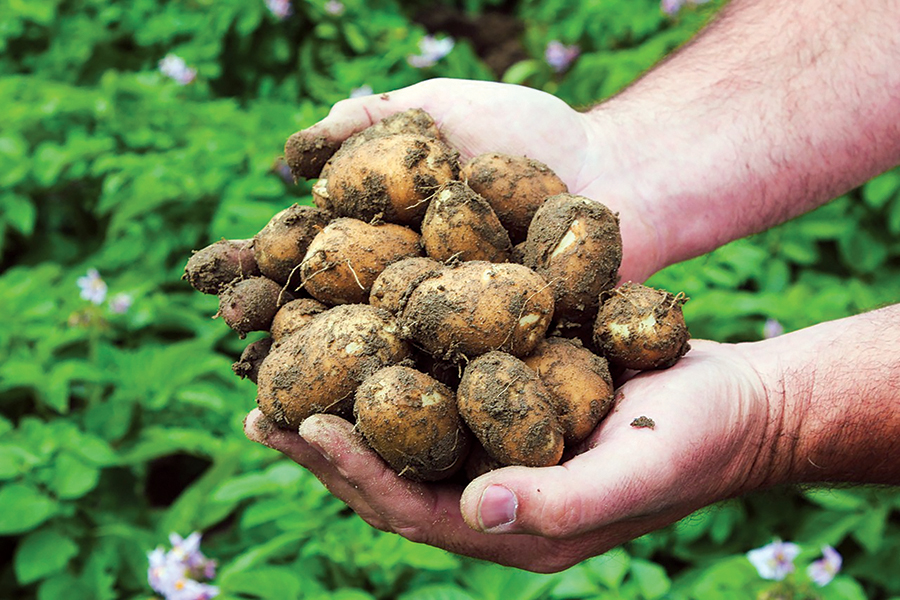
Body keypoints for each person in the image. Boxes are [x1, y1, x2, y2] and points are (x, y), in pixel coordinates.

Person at [244, 0, 900, 573]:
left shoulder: (496, 287)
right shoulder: (385, 264)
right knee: (397, 386)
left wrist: (772, 417)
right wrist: (610, 151)